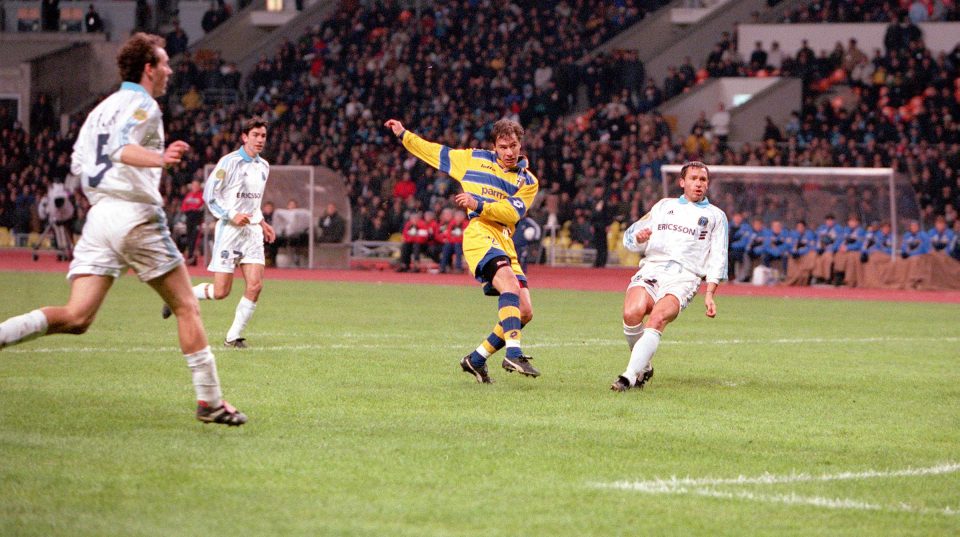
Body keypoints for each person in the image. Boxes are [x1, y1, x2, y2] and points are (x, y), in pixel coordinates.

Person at [0, 33, 246, 426]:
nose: (169, 70)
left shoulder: (99, 110)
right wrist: (160, 158)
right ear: (148, 69)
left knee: (77, 317)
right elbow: (119, 148)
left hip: (99, 217)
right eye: (163, 63)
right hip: (133, 214)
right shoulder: (142, 104)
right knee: (186, 305)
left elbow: (81, 165)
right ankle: (210, 401)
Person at [385, 117, 540, 383]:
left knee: (525, 311)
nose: (509, 152)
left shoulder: (528, 181)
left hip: (505, 239)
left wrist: (478, 203)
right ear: (494, 147)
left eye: (514, 145)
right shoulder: (471, 160)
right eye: (503, 146)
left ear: (520, 144)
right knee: (510, 287)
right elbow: (434, 152)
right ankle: (514, 352)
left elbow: (511, 213)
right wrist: (404, 135)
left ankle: (476, 359)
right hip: (480, 233)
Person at [611, 161, 727, 392]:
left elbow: (719, 256)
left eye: (703, 179)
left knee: (657, 319)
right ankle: (645, 367)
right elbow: (630, 236)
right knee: (631, 313)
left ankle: (629, 376)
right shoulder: (664, 206)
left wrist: (710, 293)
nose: (698, 183)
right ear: (682, 182)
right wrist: (639, 238)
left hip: (685, 276)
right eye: (693, 178)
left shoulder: (715, 216)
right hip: (652, 268)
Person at [163, 117, 276, 350]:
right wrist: (230, 214)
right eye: (255, 135)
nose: (260, 140)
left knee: (255, 286)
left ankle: (233, 337)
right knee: (221, 291)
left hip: (252, 232)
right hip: (231, 231)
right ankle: (178, 298)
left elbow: (254, 203)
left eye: (263, 136)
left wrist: (262, 221)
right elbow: (210, 195)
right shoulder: (229, 162)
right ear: (245, 137)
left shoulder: (264, 166)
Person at [180, 179, 204, 265]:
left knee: (195, 238)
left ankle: (192, 257)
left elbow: (201, 208)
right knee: (189, 237)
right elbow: (183, 207)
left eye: (196, 185)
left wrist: (193, 210)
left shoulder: (202, 196)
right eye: (193, 185)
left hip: (197, 219)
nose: (194, 187)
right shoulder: (189, 195)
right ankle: (190, 257)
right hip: (188, 218)